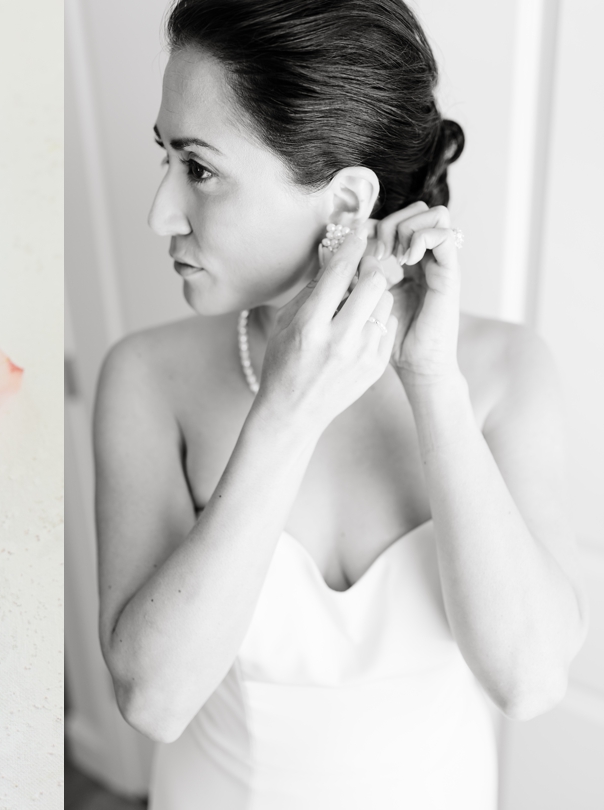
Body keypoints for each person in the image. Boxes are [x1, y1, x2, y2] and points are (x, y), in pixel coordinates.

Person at [92, 1, 588, 807]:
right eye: (165, 160)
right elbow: (154, 700)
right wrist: (285, 410)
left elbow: (528, 682)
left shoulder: (506, 372)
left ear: (348, 203)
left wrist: (433, 384)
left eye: (200, 168)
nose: (161, 213)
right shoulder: (147, 379)